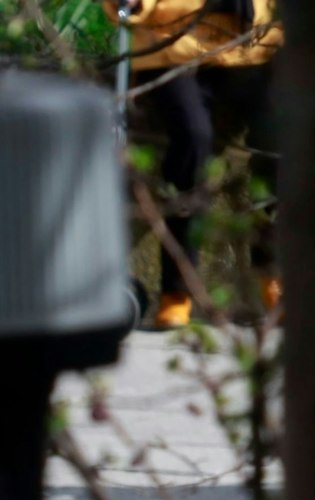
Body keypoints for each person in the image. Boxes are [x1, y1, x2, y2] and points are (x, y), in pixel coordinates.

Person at [112, 0, 284, 328]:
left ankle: (274, 274)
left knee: (280, 140)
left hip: (251, 46)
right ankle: (177, 292)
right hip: (171, 47)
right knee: (192, 139)